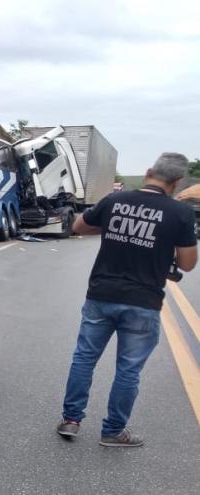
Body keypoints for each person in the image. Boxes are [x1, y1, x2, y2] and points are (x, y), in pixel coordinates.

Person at [57, 153, 197, 447]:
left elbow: (79, 227)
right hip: (143, 302)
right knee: (128, 370)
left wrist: (113, 227)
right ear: (177, 182)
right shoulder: (180, 213)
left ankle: (71, 420)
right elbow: (187, 264)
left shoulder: (113, 201)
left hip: (101, 295)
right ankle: (113, 431)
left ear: (148, 172)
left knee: (84, 358)